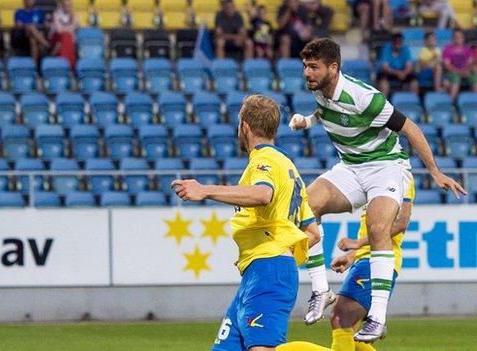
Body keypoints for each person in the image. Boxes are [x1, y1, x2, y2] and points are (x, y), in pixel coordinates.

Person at [290, 38, 465, 342]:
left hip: (386, 166)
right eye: (305, 66)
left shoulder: (364, 97)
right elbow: (326, 112)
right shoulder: (320, 90)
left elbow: (410, 127)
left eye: (313, 67)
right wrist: (307, 121)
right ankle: (320, 290)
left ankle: (378, 318)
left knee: (378, 225)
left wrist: (434, 171)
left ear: (334, 67)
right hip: (350, 167)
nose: (307, 73)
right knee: (306, 205)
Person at [172, 94, 322, 351]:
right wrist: (264, 250)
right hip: (261, 270)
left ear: (245, 126)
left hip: (268, 272)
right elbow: (312, 233)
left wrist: (205, 190)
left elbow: (263, 194)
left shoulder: (263, 160)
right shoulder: (289, 168)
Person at [329, 175, 415, 351]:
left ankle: (377, 317)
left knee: (340, 317)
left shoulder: (400, 175)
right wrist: (352, 255)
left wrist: (358, 243)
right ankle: (376, 318)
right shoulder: (374, 173)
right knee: (351, 332)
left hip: (377, 259)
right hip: (364, 258)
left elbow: (400, 223)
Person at [376, 32, 419, 96]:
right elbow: (385, 67)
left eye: (400, 43)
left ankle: (413, 99)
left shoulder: (405, 49)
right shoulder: (386, 48)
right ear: (392, 43)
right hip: (389, 72)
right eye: (396, 43)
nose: (398, 45)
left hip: (403, 72)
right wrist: (397, 73)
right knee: (383, 80)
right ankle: (384, 101)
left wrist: (404, 73)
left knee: (414, 79)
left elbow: (409, 66)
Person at [442, 29, 477, 102]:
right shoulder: (447, 49)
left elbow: (470, 63)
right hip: (453, 72)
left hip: (466, 72)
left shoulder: (467, 49)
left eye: (459, 37)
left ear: (463, 38)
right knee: (455, 82)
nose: (457, 39)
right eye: (455, 37)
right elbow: (447, 66)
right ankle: (451, 104)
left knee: (475, 81)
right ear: (452, 38)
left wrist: (467, 70)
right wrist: (459, 72)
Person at [50, 0, 78, 68]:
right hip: (56, 37)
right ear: (62, 6)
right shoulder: (56, 14)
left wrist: (64, 28)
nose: (67, 7)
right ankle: (68, 64)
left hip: (67, 38)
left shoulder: (74, 15)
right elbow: (58, 30)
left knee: (67, 37)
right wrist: (69, 28)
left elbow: (75, 27)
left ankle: (64, 63)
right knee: (66, 36)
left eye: (69, 5)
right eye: (65, 5)